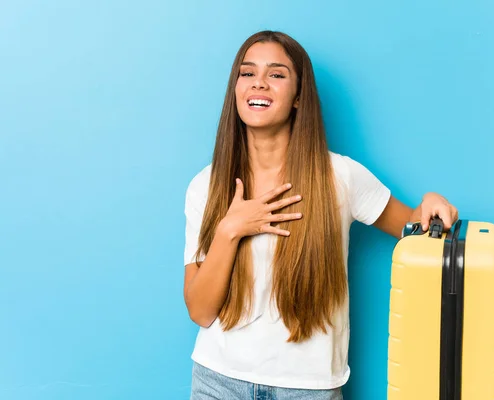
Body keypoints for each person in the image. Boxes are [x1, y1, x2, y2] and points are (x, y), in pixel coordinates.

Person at [183, 30, 459, 400]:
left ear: (299, 98)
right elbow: (200, 311)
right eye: (247, 74)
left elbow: (414, 227)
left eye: (276, 74)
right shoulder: (206, 185)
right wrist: (230, 230)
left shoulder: (340, 177)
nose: (258, 83)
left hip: (307, 389)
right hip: (217, 382)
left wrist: (428, 204)